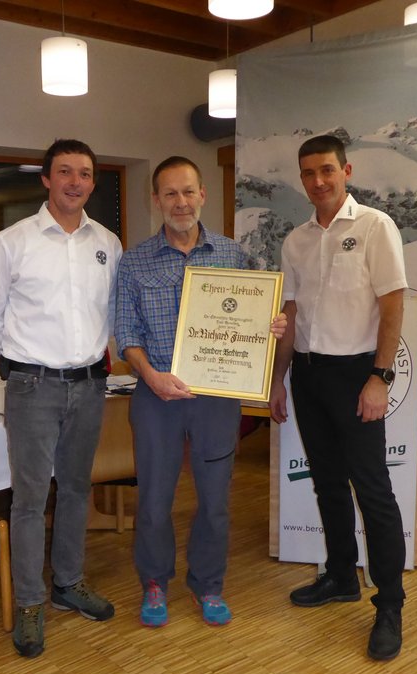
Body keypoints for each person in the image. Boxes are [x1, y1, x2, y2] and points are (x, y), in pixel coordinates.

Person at [116, 156, 285, 628]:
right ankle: (154, 581)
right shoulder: (134, 262)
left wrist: (270, 324)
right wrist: (151, 376)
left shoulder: (232, 255)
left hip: (216, 397)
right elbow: (126, 334)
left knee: (214, 499)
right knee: (154, 500)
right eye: (170, 193)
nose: (181, 202)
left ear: (203, 195)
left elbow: (253, 319)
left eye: (188, 191)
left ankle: (208, 584)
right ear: (156, 200)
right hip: (156, 395)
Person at [0, 139, 122, 659]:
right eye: (65, 172)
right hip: (32, 387)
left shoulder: (108, 243)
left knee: (77, 489)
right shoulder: (11, 243)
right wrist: (25, 357)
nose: (75, 182)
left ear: (93, 182)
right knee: (30, 499)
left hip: (90, 384)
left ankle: (68, 583)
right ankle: (30, 602)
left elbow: (110, 314)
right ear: (46, 179)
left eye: (85, 173)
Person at [269, 134, 408, 661]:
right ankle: (341, 575)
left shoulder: (375, 226)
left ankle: (390, 605)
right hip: (308, 375)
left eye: (327, 170)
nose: (318, 181)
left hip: (356, 375)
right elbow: (292, 316)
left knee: (373, 491)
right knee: (327, 482)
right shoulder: (295, 241)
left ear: (346, 171)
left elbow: (392, 306)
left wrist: (380, 377)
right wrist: (279, 379)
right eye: (308, 173)